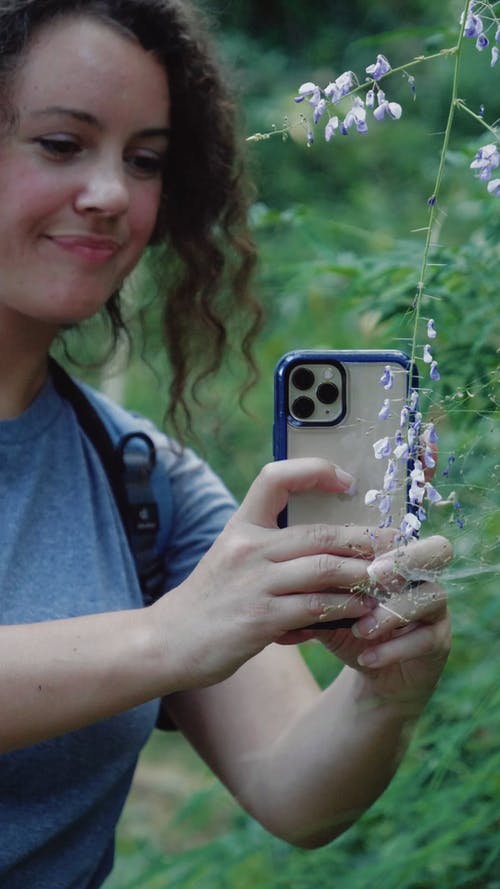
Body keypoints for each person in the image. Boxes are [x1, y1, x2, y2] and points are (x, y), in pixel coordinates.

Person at [0, 0, 453, 886]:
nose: (111, 195)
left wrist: (383, 694)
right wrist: (168, 636)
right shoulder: (172, 609)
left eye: (146, 161)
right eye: (61, 144)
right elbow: (182, 634)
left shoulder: (141, 479)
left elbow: (294, 789)